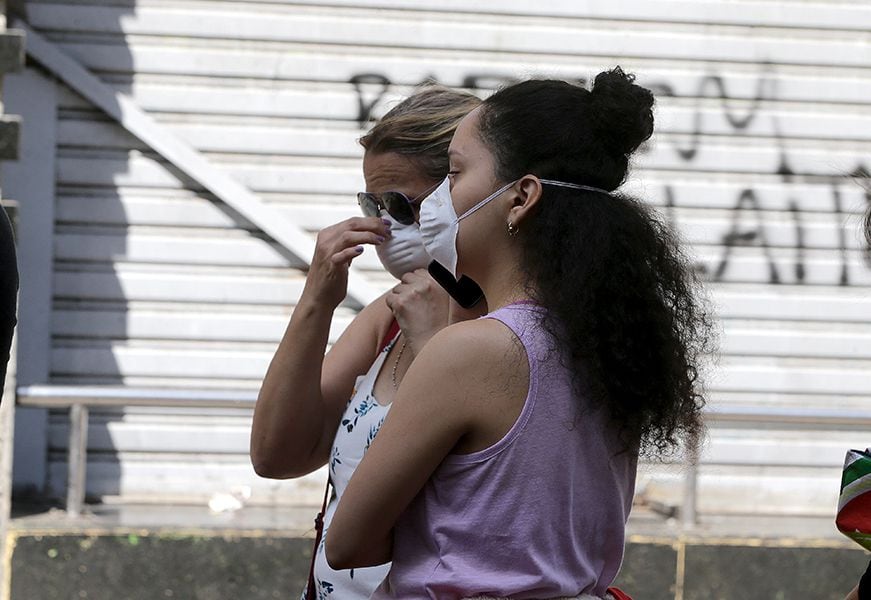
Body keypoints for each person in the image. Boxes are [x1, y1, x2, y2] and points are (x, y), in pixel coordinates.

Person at [326, 68, 712, 599]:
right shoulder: (604, 340)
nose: (438, 201)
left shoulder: (470, 351)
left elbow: (347, 544)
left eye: (455, 175)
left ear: (522, 196)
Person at [249, 85, 481, 599]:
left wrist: (431, 342)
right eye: (373, 204)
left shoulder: (509, 326)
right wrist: (317, 299)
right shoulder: (388, 316)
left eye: (403, 204)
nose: (385, 226)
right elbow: (277, 455)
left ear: (464, 194)